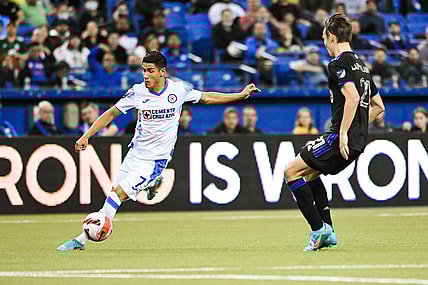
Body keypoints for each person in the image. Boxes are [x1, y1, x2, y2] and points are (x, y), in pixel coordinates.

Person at [57, 51, 260, 250]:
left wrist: (240, 95)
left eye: (150, 71)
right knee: (113, 195)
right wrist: (87, 135)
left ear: (162, 72)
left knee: (117, 194)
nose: (145, 75)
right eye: (143, 70)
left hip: (155, 159)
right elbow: (111, 114)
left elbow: (207, 97)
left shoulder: (178, 90)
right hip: (135, 153)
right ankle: (151, 184)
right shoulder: (137, 92)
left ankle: (81, 240)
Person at [283, 14, 385, 251]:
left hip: (341, 137)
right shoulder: (363, 66)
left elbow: (352, 97)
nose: (324, 45)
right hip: (358, 140)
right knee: (309, 175)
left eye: (324, 39)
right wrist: (357, 126)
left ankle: (318, 230)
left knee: (291, 172)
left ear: (331, 36)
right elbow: (379, 106)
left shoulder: (337, 64)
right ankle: (328, 231)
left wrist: (344, 133)